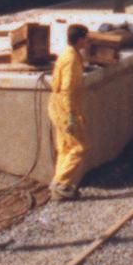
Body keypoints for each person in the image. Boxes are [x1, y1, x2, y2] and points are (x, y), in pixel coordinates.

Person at [48, 24, 90, 201]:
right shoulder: (72, 59)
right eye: (86, 38)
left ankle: (60, 185)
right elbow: (68, 90)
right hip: (65, 111)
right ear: (80, 39)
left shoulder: (68, 54)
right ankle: (60, 182)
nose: (88, 42)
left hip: (57, 108)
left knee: (65, 147)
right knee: (79, 147)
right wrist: (72, 115)